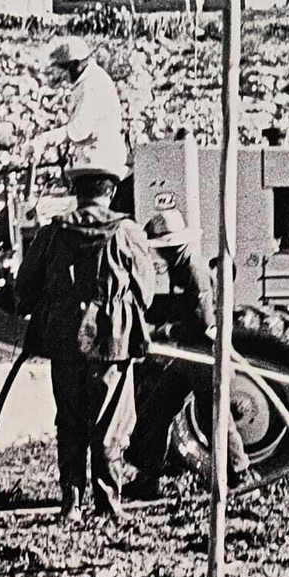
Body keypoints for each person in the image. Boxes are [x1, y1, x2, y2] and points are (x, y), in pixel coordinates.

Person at [15, 164, 156, 523]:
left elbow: (25, 288)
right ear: (110, 192)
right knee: (110, 422)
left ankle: (71, 504)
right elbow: (147, 292)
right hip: (113, 342)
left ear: (76, 193)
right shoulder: (127, 231)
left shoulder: (52, 232)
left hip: (65, 342)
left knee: (71, 420)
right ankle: (108, 505)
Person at [123, 209, 248, 498]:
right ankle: (148, 477)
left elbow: (205, 324)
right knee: (156, 409)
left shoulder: (193, 271)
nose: (161, 254)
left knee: (215, 418)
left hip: (205, 358)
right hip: (187, 359)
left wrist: (164, 332)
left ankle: (240, 474)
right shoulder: (180, 269)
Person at [30, 37, 132, 207]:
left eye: (64, 68)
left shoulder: (93, 84)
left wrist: (44, 140)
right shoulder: (86, 81)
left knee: (90, 215)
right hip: (91, 160)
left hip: (101, 164)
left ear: (76, 64)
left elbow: (78, 130)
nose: (63, 74)